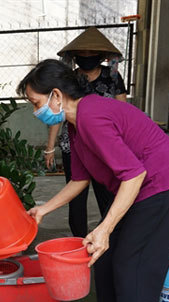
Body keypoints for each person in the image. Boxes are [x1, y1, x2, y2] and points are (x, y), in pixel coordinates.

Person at [18, 59, 169, 302]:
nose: (35, 111)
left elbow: (134, 175)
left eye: (36, 102)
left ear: (56, 95)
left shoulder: (92, 116)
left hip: (161, 182)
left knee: (132, 260)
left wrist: (106, 228)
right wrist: (44, 209)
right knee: (105, 255)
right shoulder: (76, 123)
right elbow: (80, 179)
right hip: (141, 184)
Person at [45, 27, 127, 237]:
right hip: (72, 145)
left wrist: (124, 145)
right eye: (83, 53)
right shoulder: (67, 81)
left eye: (92, 53)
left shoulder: (113, 77)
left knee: (107, 195)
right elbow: (57, 114)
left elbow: (124, 111)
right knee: (76, 199)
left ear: (102, 55)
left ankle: (107, 235)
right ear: (74, 56)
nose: (87, 57)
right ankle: (78, 243)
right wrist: (49, 148)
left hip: (104, 147)